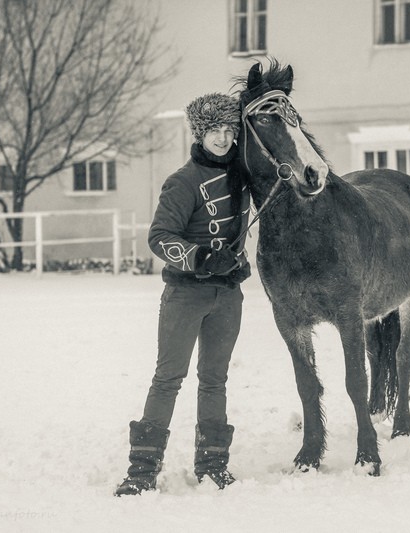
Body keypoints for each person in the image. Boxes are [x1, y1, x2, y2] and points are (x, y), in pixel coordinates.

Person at [115, 93, 252, 496]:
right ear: (200, 132)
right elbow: (159, 238)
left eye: (230, 131)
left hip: (227, 296)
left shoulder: (242, 177)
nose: (224, 139)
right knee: (168, 378)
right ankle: (141, 470)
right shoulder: (183, 180)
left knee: (215, 380)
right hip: (185, 294)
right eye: (215, 131)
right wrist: (202, 258)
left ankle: (212, 465)